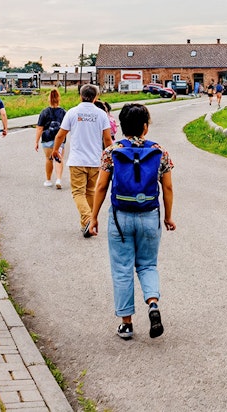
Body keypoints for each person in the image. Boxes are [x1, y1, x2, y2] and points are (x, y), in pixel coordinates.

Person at [89, 104, 175, 340]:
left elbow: (101, 186)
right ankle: (153, 304)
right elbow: (167, 187)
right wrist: (168, 216)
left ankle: (126, 324)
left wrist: (94, 216)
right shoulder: (160, 151)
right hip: (149, 215)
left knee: (122, 268)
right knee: (147, 265)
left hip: (121, 218)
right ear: (145, 127)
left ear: (123, 126)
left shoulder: (111, 151)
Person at [52, 85, 113, 237]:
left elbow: (60, 135)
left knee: (78, 192)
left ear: (80, 96)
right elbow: (107, 138)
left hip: (77, 160)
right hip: (94, 160)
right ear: (96, 97)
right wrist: (111, 156)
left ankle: (87, 221)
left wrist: (55, 150)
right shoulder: (101, 114)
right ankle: (86, 226)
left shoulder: (72, 112)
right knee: (90, 192)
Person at [34, 88, 66, 189]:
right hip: (60, 139)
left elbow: (39, 128)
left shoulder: (44, 112)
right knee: (58, 158)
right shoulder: (63, 112)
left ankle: (48, 180)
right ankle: (59, 179)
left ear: (49, 99)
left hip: (47, 139)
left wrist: (36, 141)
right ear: (59, 99)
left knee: (48, 159)